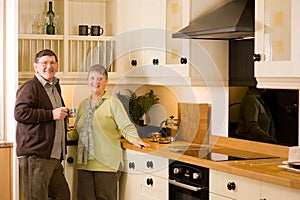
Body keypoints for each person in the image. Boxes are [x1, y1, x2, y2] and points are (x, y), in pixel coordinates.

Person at [68, 64, 150, 200]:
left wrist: (135, 139)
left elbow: (125, 126)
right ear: (87, 80)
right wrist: (57, 136)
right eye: (93, 78)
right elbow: (77, 131)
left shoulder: (113, 103)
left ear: (106, 81)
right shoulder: (83, 105)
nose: (96, 82)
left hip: (107, 163)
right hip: (85, 163)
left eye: (100, 78)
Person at [14, 49, 70, 200]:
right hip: (36, 155)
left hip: (54, 155)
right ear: (36, 67)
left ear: (57, 66)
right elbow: (20, 113)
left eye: (52, 62)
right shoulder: (30, 86)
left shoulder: (55, 86)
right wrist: (51, 114)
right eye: (44, 63)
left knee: (63, 195)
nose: (48, 66)